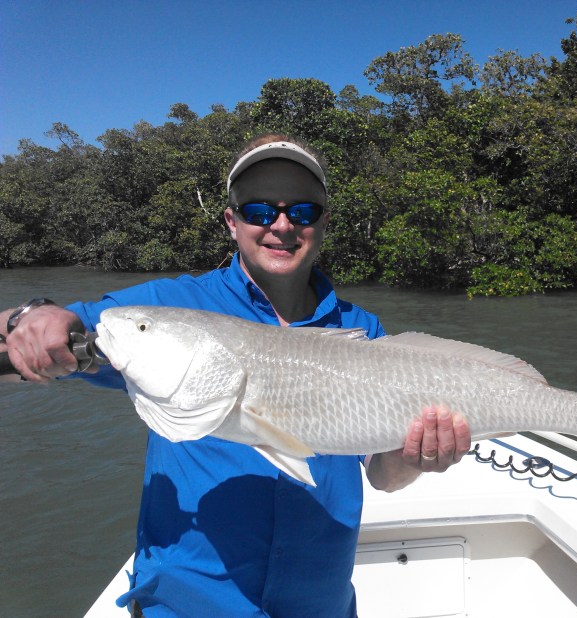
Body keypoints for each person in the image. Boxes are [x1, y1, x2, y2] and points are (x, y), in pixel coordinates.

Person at [0, 133, 471, 617]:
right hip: (188, 606)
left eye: (302, 212)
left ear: (323, 223)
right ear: (232, 220)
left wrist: (419, 456)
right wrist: (28, 317)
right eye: (260, 212)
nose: (282, 226)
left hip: (320, 605)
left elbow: (384, 477)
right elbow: (34, 340)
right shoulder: (167, 310)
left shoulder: (362, 331)